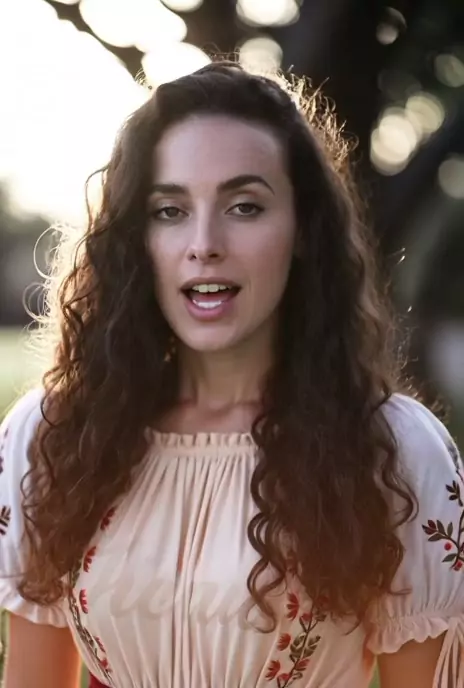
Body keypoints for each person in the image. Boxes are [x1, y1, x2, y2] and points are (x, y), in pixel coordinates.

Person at [0, 61, 463, 688]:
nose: (204, 243)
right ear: (135, 236)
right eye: (169, 210)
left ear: (304, 230)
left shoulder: (393, 449)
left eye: (244, 207)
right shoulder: (55, 436)